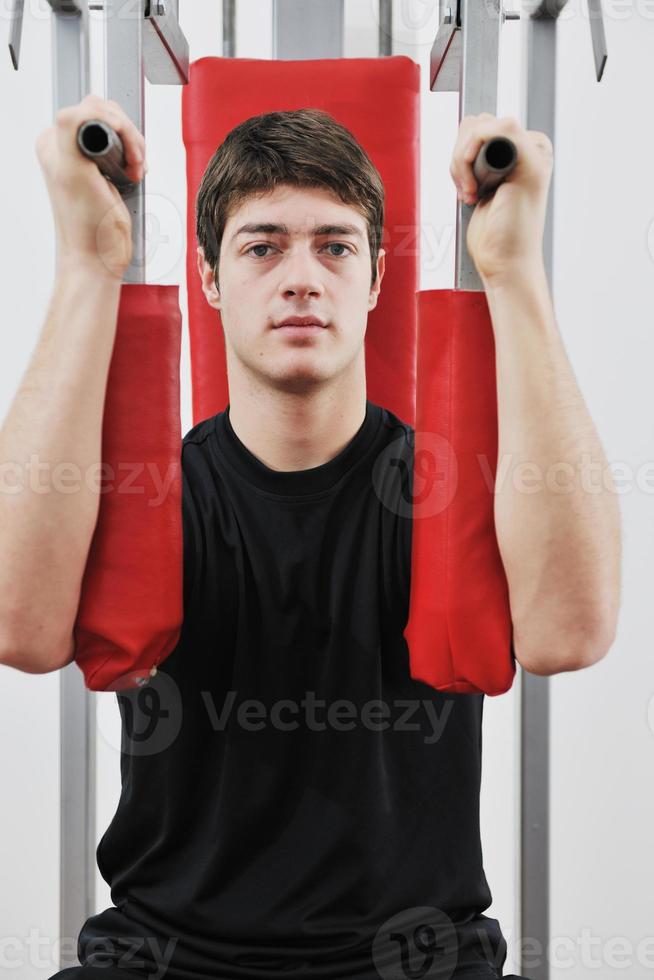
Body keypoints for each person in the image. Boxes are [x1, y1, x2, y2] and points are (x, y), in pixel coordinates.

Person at [3, 93, 607, 980]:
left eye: (334, 246)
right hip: (169, 960)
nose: (301, 277)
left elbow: (572, 633)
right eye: (262, 246)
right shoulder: (152, 498)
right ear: (208, 277)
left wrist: (514, 274)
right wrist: (90, 267)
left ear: (375, 277)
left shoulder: (441, 492)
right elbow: (16, 627)